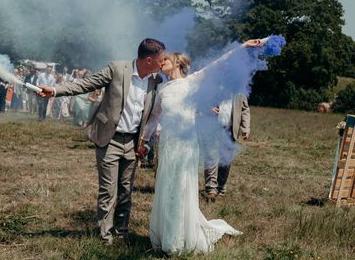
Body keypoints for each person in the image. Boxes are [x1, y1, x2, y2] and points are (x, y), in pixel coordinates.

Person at [143, 38, 279, 255]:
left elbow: (218, 63)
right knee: (166, 187)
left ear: (178, 63)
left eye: (166, 59)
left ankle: (177, 240)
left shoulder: (192, 81)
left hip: (185, 145)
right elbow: (153, 119)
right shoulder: (161, 88)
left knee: (180, 188)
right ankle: (165, 233)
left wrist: (242, 46)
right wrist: (144, 143)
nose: (161, 62)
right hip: (167, 145)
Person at [37, 38, 166, 245]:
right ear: (149, 60)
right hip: (110, 139)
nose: (164, 62)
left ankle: (121, 233)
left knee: (126, 191)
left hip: (133, 143)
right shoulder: (117, 68)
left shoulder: (156, 80)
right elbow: (86, 84)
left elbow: (154, 113)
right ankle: (105, 236)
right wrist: (55, 91)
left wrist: (145, 142)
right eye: (161, 59)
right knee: (108, 191)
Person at [202, 93, 250, 200]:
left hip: (230, 130)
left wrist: (245, 129)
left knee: (226, 160)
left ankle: (220, 188)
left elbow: (245, 109)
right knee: (211, 157)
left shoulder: (240, 88)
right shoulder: (214, 84)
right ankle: (210, 188)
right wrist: (208, 108)